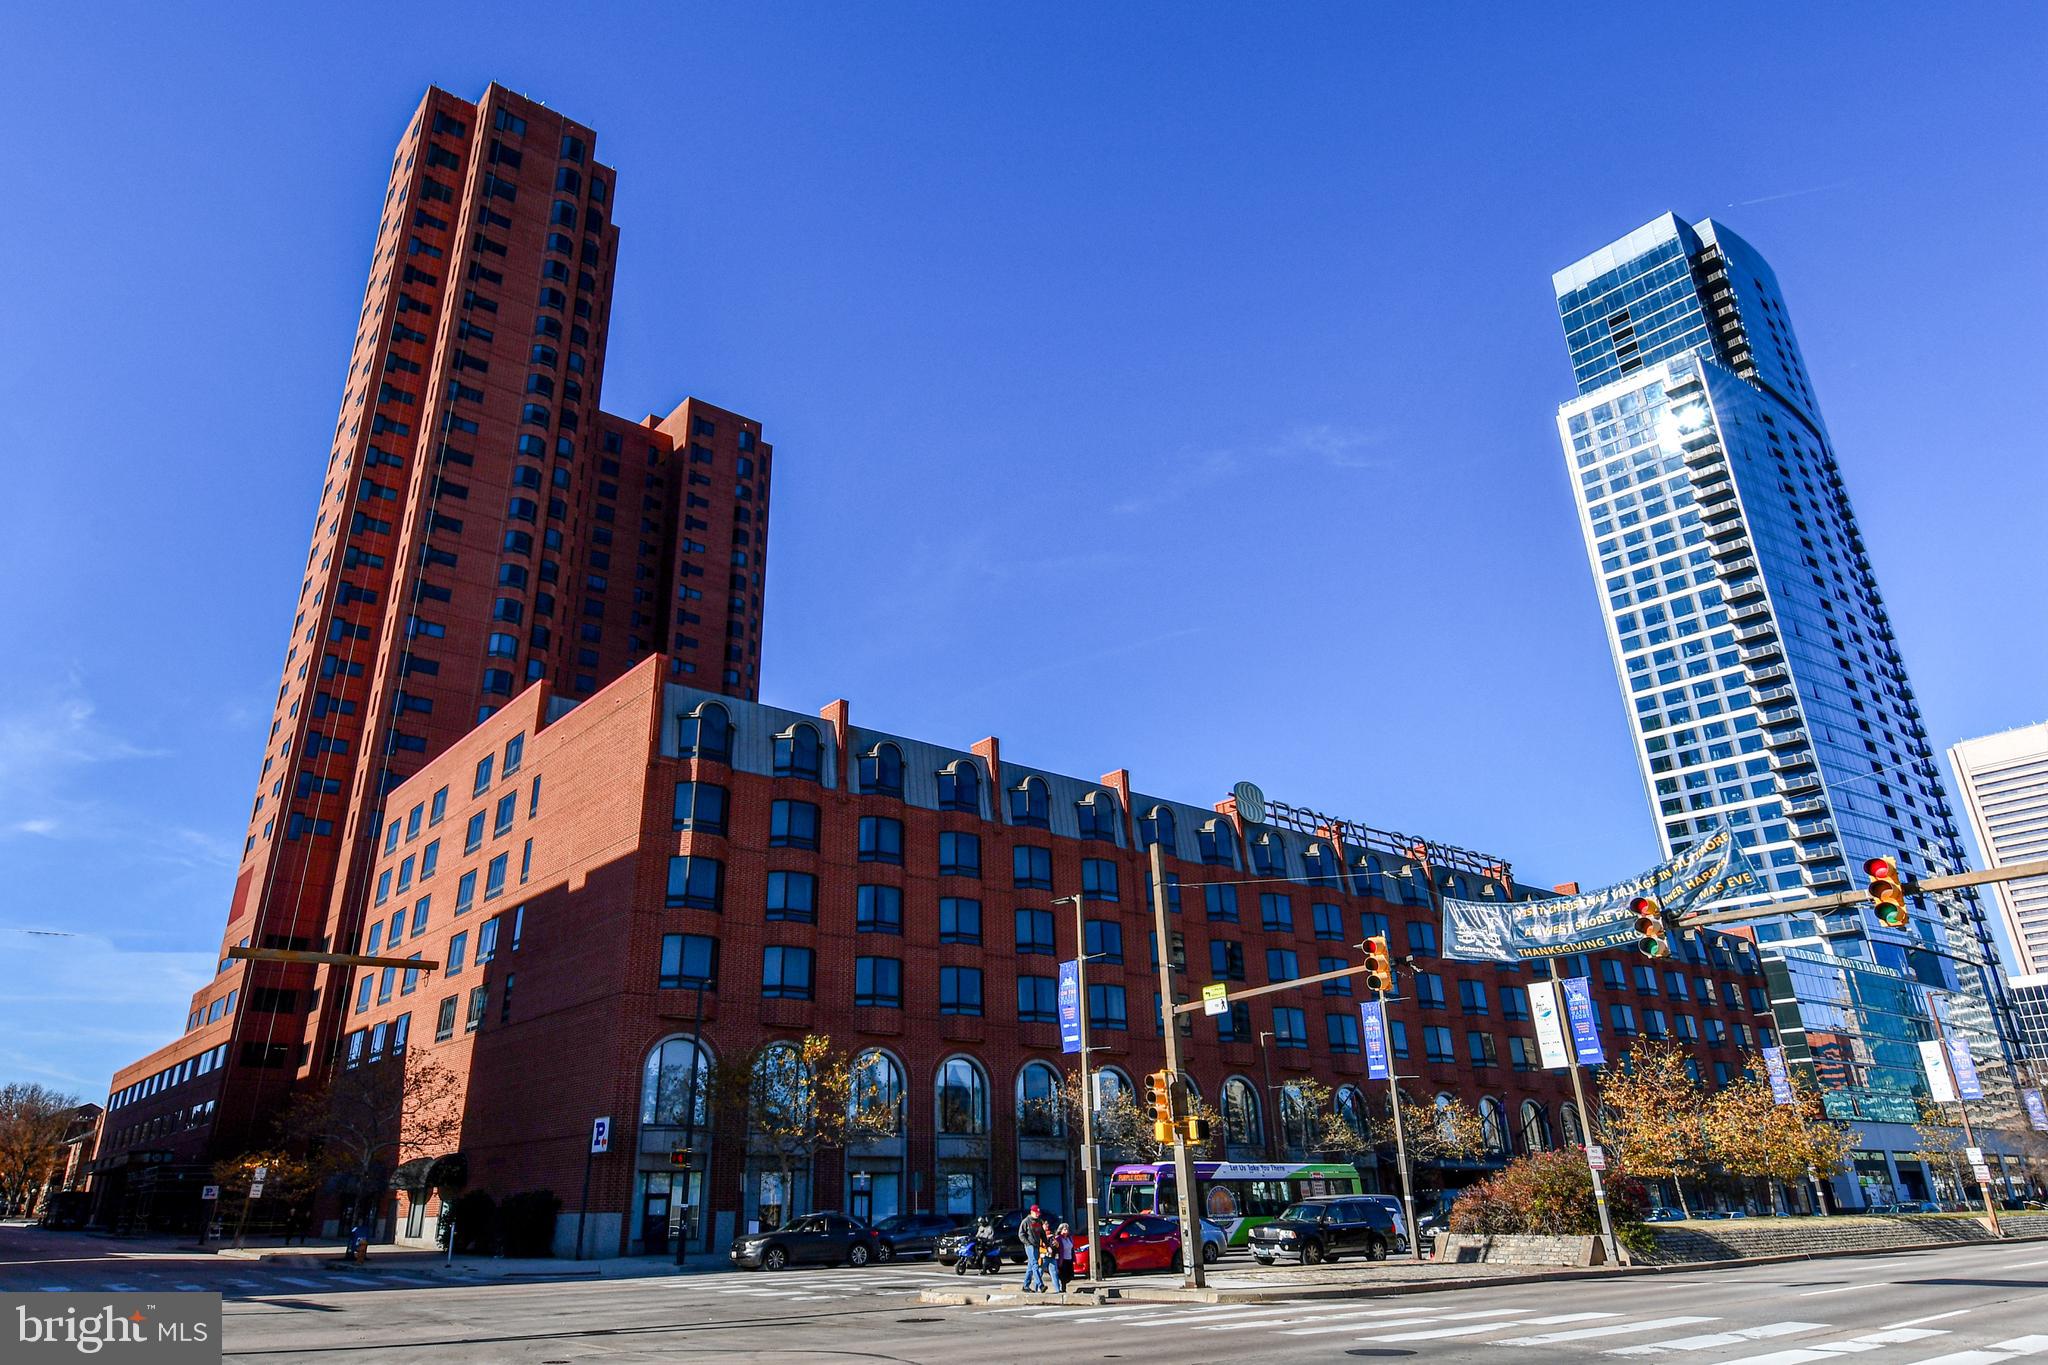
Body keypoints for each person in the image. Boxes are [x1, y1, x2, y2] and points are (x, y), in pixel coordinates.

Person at [1020, 1205, 1048, 1292]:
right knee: (1035, 1265)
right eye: (1036, 1213)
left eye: (1038, 1213)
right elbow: (1021, 1234)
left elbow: (1042, 1234)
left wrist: (1046, 1243)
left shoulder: (1039, 1221)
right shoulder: (1026, 1221)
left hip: (1036, 1246)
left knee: (1030, 1267)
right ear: (1031, 1212)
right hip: (1030, 1246)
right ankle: (1041, 1285)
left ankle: (1025, 1286)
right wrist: (1027, 1243)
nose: (1037, 1214)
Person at [1050, 1222, 1074, 1293]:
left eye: (1067, 1230)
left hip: (1069, 1258)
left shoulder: (1070, 1238)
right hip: (1062, 1259)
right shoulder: (1058, 1238)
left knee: (1070, 1276)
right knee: (1063, 1275)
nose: (1066, 1231)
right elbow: (1056, 1247)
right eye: (1064, 1230)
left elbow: (1072, 1248)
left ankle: (1063, 1285)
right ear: (1060, 1230)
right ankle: (1063, 1288)